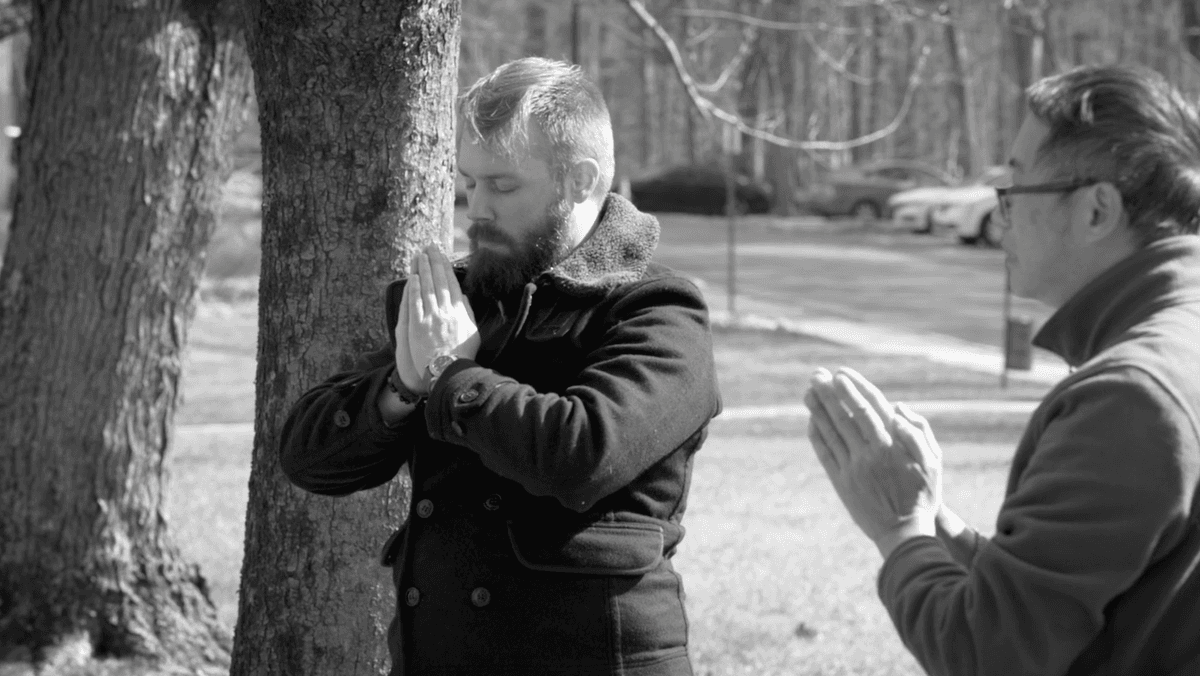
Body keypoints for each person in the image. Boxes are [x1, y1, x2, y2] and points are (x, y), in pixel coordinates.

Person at [278, 57, 720, 675]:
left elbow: (584, 451)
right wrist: (404, 386)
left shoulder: (657, 308)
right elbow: (306, 457)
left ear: (579, 181)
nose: (475, 208)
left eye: (503, 185)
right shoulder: (464, 302)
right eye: (470, 182)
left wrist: (453, 380)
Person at [804, 64, 1200, 675]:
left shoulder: (1131, 399)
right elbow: (1083, 593)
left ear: (1097, 211)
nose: (1002, 213)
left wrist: (897, 530)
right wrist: (939, 525)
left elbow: (990, 652)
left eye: (1016, 187)